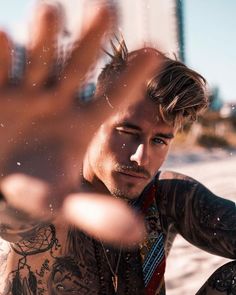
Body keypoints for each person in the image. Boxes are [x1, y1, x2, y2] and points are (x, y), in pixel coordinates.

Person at [0, 3, 236, 295]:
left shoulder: (167, 197)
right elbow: (15, 216)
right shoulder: (46, 196)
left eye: (159, 140)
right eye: (127, 133)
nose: (141, 157)